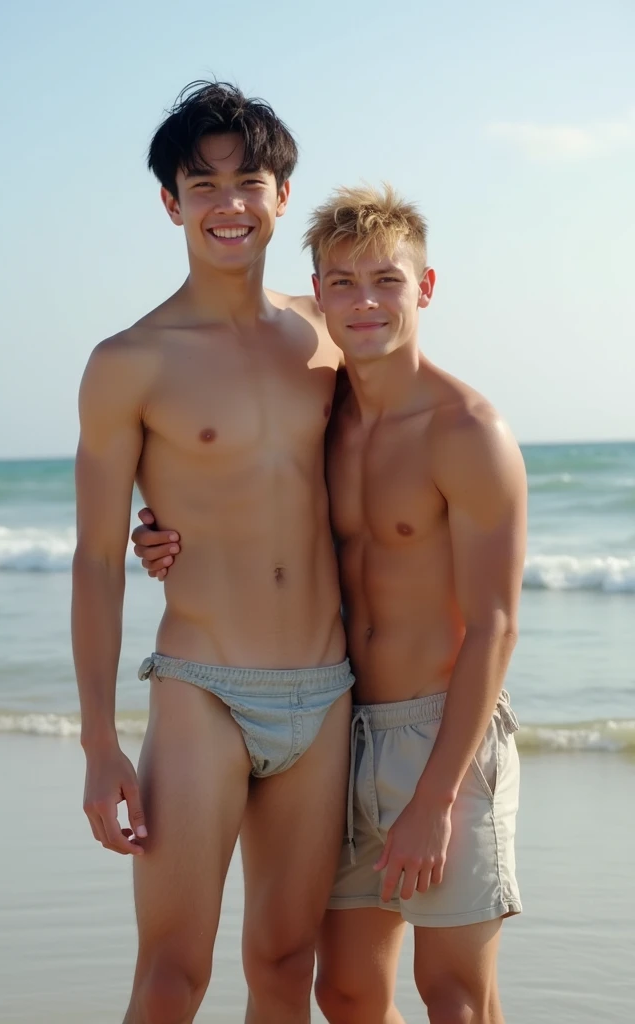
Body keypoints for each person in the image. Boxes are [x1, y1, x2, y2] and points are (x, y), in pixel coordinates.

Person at [135, 185, 526, 1023]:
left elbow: (496, 624)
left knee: (454, 997)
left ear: (424, 288)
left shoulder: (468, 431)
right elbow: (249, 498)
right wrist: (165, 531)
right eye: (341, 283)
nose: (364, 301)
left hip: (439, 734)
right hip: (339, 728)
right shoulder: (327, 408)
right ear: (317, 294)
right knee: (345, 992)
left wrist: (436, 799)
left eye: (386, 280)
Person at [71, 80, 354, 1024]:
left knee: (284, 966)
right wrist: (99, 741)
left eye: (250, 181)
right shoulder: (130, 361)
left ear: (282, 193)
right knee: (172, 976)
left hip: (326, 687)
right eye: (203, 184)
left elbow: (393, 487)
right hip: (204, 687)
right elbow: (98, 558)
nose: (229, 204)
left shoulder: (329, 337)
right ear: (171, 203)